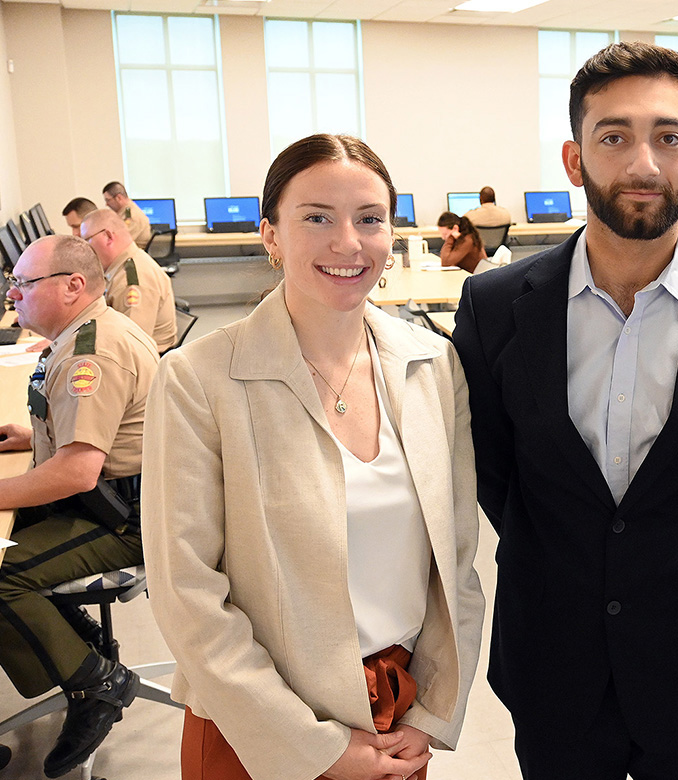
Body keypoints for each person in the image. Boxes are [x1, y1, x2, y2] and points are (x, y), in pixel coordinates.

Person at [453, 41, 678, 780]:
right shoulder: (495, 307)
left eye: (668, 137)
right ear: (574, 159)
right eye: (614, 136)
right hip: (554, 656)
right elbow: (492, 470)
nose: (644, 164)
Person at [141, 133, 484, 780]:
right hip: (255, 729)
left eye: (369, 219)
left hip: (395, 716)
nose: (348, 243)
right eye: (317, 218)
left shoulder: (433, 364)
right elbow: (187, 594)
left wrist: (434, 712)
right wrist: (313, 746)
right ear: (271, 235)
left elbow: (456, 562)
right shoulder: (198, 380)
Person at [0, 234, 159, 778]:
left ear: (72, 286)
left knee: (1, 572)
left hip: (126, 520)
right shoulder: (84, 333)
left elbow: (76, 472)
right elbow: (93, 438)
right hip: (107, 500)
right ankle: (81, 643)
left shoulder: (93, 353)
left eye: (23, 283)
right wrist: (34, 436)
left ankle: (96, 683)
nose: (11, 294)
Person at [80, 209, 177, 353]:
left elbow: (131, 343)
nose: (85, 250)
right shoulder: (120, 267)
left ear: (108, 236)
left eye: (86, 241)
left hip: (146, 359)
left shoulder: (132, 279)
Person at [100, 182, 151, 248]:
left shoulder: (132, 216)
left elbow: (120, 241)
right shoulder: (125, 211)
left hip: (130, 252)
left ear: (118, 198)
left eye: (108, 200)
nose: (106, 204)